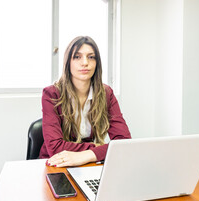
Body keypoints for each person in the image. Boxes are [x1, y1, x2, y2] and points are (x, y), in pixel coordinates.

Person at [39, 36, 131, 167]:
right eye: (77, 57)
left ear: (97, 63)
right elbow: (55, 147)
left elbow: (124, 143)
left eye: (91, 57)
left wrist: (87, 155)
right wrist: (98, 148)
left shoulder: (106, 94)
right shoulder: (52, 94)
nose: (85, 62)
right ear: (68, 62)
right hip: (56, 163)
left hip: (88, 162)